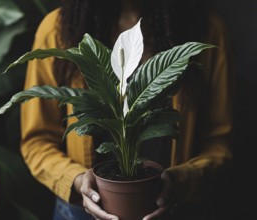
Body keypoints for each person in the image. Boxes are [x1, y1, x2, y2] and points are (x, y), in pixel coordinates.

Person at [21, 0, 233, 219]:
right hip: (79, 213)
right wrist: (76, 180)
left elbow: (218, 141)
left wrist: (182, 179)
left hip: (175, 209)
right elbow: (37, 142)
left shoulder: (206, 30)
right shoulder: (59, 29)